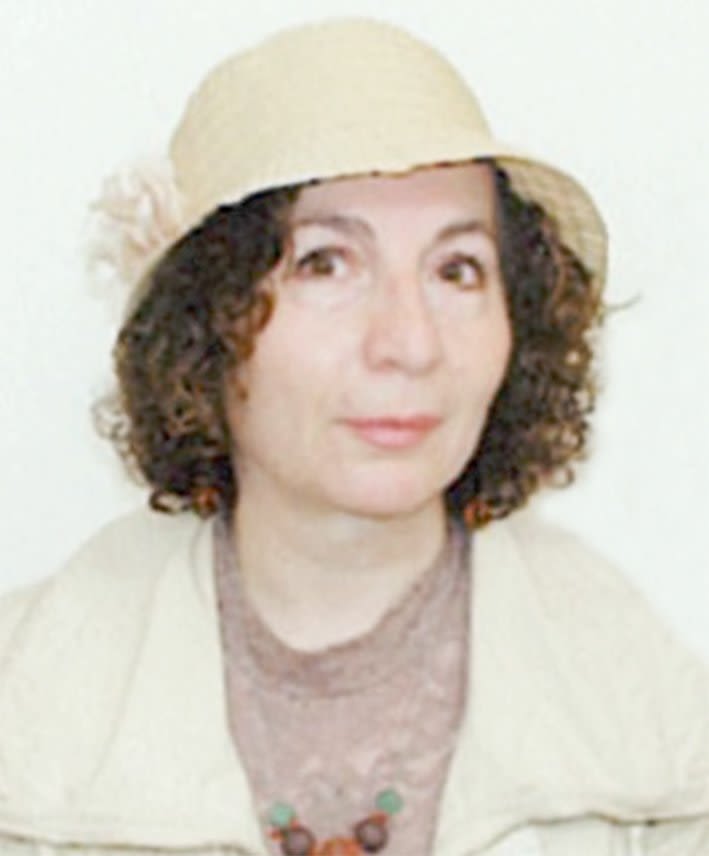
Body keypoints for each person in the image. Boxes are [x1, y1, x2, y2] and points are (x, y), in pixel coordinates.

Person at [1, 16, 708, 856]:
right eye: (324, 263)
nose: (409, 342)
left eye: (456, 270)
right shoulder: (29, 705)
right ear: (203, 322)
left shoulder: (654, 728)